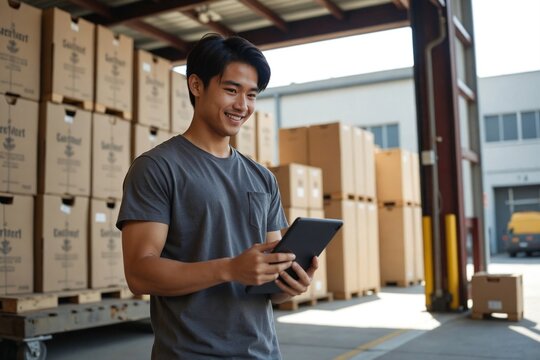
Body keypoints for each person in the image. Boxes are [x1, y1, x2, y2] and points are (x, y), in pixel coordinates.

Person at [117, 33, 318, 359]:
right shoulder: (157, 168)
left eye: (252, 95)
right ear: (196, 86)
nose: (243, 105)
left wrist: (290, 284)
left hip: (262, 353)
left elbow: (266, 285)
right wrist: (230, 269)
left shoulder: (263, 178)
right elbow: (139, 273)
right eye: (231, 90)